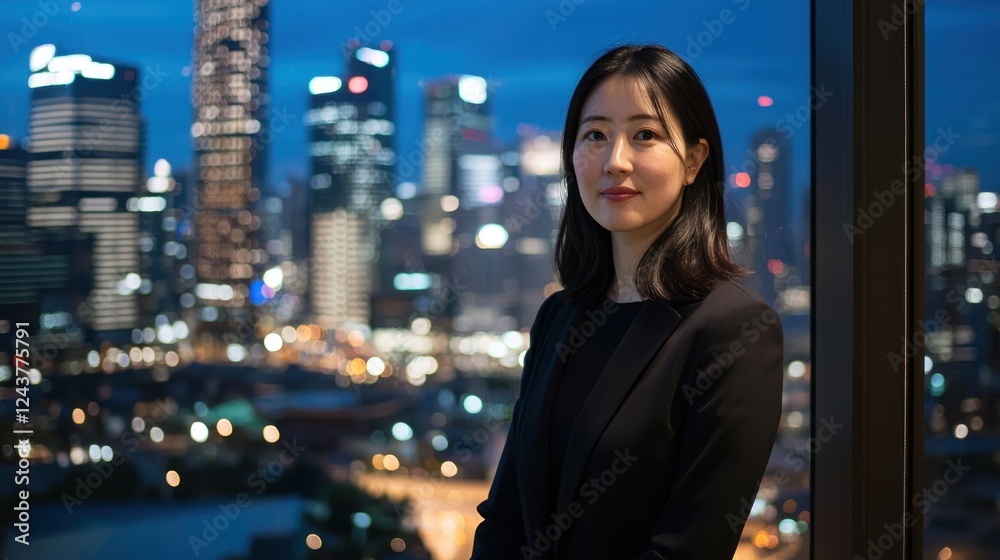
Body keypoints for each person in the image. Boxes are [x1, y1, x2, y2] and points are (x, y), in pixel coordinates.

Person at [470, 44, 785, 560]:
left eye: (646, 135)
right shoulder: (558, 317)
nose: (615, 161)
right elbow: (504, 516)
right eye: (595, 135)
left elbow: (689, 549)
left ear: (693, 161)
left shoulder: (734, 329)